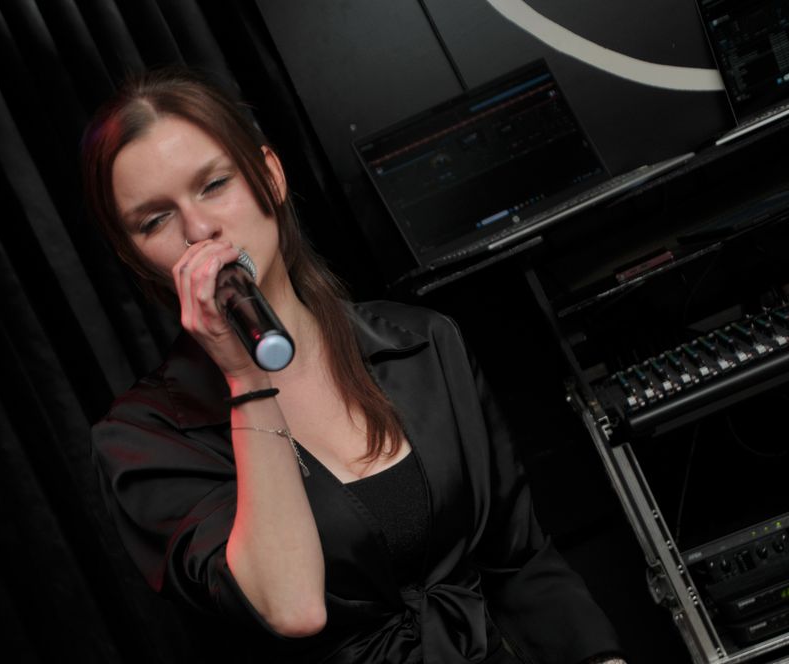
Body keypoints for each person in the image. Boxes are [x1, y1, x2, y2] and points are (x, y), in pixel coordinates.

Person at [82, 67, 626, 663]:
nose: (199, 229)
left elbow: (518, 557)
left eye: (214, 184)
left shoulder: (421, 342)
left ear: (270, 176)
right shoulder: (143, 440)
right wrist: (246, 378)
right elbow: (292, 607)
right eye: (155, 220)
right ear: (135, 256)